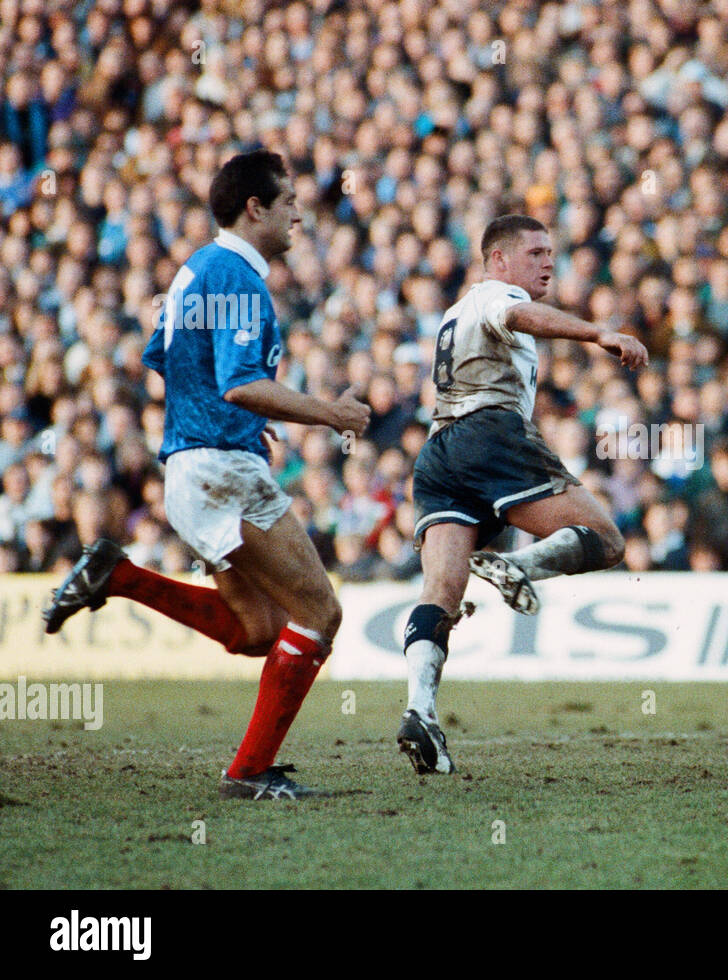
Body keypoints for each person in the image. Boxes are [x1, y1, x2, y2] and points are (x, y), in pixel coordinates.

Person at [42, 150, 371, 799]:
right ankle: (249, 773)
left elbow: (167, 358)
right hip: (222, 470)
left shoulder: (195, 269)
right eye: (289, 203)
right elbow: (244, 383)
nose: (300, 215)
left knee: (259, 631)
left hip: (191, 469)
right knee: (320, 611)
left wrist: (247, 420)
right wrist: (330, 413)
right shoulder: (240, 277)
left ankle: (121, 575)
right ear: (255, 208)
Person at [397, 214, 648, 776]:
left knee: (440, 590)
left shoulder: (453, 313)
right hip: (489, 433)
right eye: (535, 252)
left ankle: (421, 711)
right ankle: (518, 568)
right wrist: (596, 333)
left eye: (551, 253)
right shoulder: (494, 295)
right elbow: (517, 314)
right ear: (499, 259)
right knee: (606, 540)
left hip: (440, 450)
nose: (548, 262)